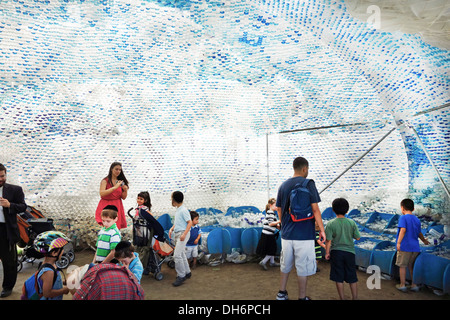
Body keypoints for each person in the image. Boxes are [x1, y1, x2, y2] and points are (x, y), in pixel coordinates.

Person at [275, 157, 325, 300]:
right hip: (304, 234)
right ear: (305, 169)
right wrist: (321, 230)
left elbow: (279, 208)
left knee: (285, 265)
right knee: (303, 267)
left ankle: (281, 293)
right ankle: (302, 297)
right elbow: (315, 210)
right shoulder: (308, 184)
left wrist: (284, 225)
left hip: (287, 234)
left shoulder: (283, 186)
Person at [0, 163, 27, 298]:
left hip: (6, 229)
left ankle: (7, 286)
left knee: (9, 261)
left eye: (3, 176)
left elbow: (23, 206)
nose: (1, 179)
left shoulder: (15, 190)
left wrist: (9, 205)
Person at [325, 198, 360, 300]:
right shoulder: (351, 223)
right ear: (347, 210)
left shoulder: (331, 223)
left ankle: (342, 298)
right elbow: (357, 237)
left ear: (333, 209)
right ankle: (355, 298)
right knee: (352, 276)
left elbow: (328, 241)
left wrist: (327, 252)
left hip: (336, 253)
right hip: (350, 253)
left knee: (338, 276)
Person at [395, 198, 429, 292]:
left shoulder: (403, 217)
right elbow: (419, 233)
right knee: (411, 266)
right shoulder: (417, 219)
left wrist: (398, 242)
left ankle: (402, 284)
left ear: (402, 208)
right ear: (413, 209)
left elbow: (403, 230)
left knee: (402, 266)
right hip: (415, 247)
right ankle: (414, 285)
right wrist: (424, 241)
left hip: (405, 246)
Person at [32, 231, 71, 300]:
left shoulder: (50, 265)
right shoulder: (48, 272)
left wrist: (62, 282)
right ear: (54, 253)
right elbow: (47, 293)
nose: (63, 251)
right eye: (61, 249)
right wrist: (64, 290)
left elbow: (49, 282)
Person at [95, 162, 129, 229]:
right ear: (111, 169)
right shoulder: (105, 181)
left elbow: (123, 197)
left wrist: (125, 190)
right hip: (106, 206)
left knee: (116, 227)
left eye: (120, 170)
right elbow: (102, 193)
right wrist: (114, 187)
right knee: (106, 225)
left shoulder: (120, 181)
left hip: (117, 205)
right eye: (116, 169)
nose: (118, 171)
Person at [168, 191, 192, 287]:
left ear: (174, 200)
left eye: (171, 198)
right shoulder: (178, 210)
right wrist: (172, 228)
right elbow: (179, 222)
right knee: (181, 254)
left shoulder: (183, 210)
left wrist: (184, 234)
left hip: (183, 234)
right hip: (179, 233)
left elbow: (189, 223)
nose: (171, 200)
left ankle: (181, 276)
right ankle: (187, 272)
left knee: (176, 255)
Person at [133, 191, 154, 275]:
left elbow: (150, 215)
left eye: (141, 199)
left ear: (145, 200)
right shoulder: (138, 207)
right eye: (138, 198)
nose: (139, 200)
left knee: (144, 248)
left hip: (143, 230)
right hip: (139, 229)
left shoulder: (144, 208)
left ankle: (142, 266)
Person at [257, 198, 280, 270]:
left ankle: (272, 262)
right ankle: (263, 262)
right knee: (272, 249)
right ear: (270, 205)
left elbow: (273, 224)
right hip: (268, 235)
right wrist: (279, 221)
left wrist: (277, 225)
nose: (277, 206)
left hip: (269, 234)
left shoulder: (272, 213)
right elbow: (270, 223)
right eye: (275, 205)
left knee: (272, 248)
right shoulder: (270, 213)